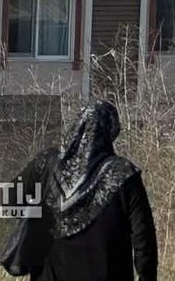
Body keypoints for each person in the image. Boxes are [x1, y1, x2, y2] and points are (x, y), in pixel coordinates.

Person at [13, 99, 158, 281]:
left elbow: (9, 200)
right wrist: (147, 276)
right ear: (111, 131)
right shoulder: (124, 174)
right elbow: (143, 237)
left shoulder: (46, 165)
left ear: (76, 127)